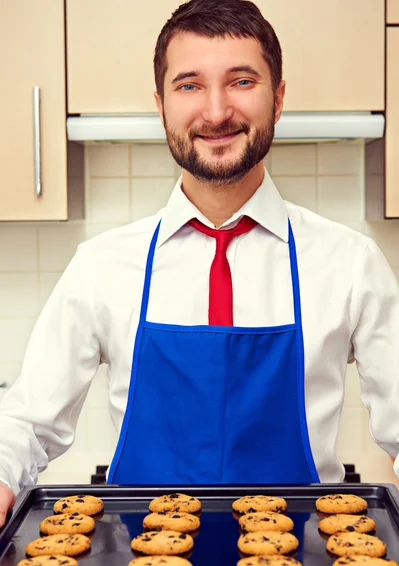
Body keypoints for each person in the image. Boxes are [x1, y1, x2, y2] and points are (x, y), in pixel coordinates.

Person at [1, 0, 399, 528]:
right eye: (189, 85)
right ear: (161, 104)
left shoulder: (351, 263)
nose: (215, 112)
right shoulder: (101, 266)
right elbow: (27, 421)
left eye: (241, 81)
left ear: (278, 99)